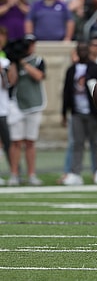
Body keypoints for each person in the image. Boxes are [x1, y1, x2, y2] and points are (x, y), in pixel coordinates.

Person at [61, 41, 97, 186]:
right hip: (77, 113)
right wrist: (64, 113)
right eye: (79, 49)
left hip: (94, 113)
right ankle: (75, 173)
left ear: (88, 51)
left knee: (96, 143)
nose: (82, 52)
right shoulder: (71, 70)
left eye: (84, 49)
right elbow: (66, 93)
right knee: (77, 144)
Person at [7, 34, 46, 186]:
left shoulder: (38, 61)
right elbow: (11, 80)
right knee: (16, 141)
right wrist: (14, 62)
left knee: (30, 141)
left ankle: (31, 174)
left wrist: (23, 63)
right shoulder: (14, 62)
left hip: (34, 105)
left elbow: (38, 76)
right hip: (17, 105)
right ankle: (14, 174)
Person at [0, 28, 17, 185]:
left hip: (3, 107)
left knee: (9, 142)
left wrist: (3, 72)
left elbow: (10, 83)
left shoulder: (6, 59)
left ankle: (14, 174)